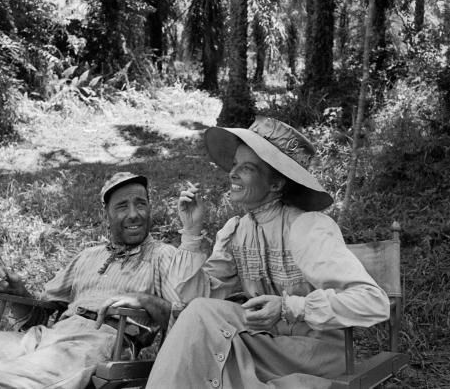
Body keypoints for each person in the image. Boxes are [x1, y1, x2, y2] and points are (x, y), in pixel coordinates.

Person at [146, 117, 391, 388]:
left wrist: (288, 307)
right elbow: (190, 300)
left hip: (315, 351)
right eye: (235, 164)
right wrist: (192, 232)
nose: (233, 173)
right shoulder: (237, 231)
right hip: (268, 343)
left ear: (276, 184)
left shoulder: (307, 228)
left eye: (247, 168)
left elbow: (372, 301)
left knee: (205, 321)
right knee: (200, 315)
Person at [0, 172, 188, 389]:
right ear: (105, 215)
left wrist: (144, 300)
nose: (134, 214)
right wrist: (21, 292)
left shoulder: (164, 256)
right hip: (47, 336)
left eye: (141, 204)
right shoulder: (88, 256)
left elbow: (188, 321)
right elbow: (40, 314)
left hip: (101, 343)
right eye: (122, 206)